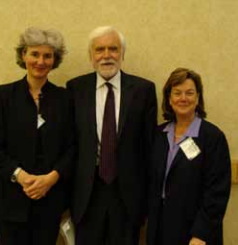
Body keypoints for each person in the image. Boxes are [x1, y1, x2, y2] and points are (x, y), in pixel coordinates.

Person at [0, 27, 74, 245]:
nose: (40, 61)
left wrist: (50, 179)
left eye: (47, 55)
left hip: (50, 200)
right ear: (23, 55)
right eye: (35, 54)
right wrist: (23, 178)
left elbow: (73, 148)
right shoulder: (3, 96)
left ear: (55, 59)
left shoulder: (65, 98)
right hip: (10, 200)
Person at [66, 26, 157, 245]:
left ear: (122, 54)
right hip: (87, 195)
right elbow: (69, 145)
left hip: (128, 195)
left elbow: (149, 147)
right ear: (91, 56)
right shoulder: (75, 89)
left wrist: (147, 202)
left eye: (113, 49)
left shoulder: (143, 90)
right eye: (99, 50)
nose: (106, 55)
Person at [147, 68, 231, 245]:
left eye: (189, 93)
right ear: (169, 99)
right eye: (177, 93)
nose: (183, 98)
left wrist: (201, 234)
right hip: (160, 228)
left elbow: (217, 192)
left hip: (195, 232)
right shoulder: (158, 135)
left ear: (198, 98)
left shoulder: (212, 138)